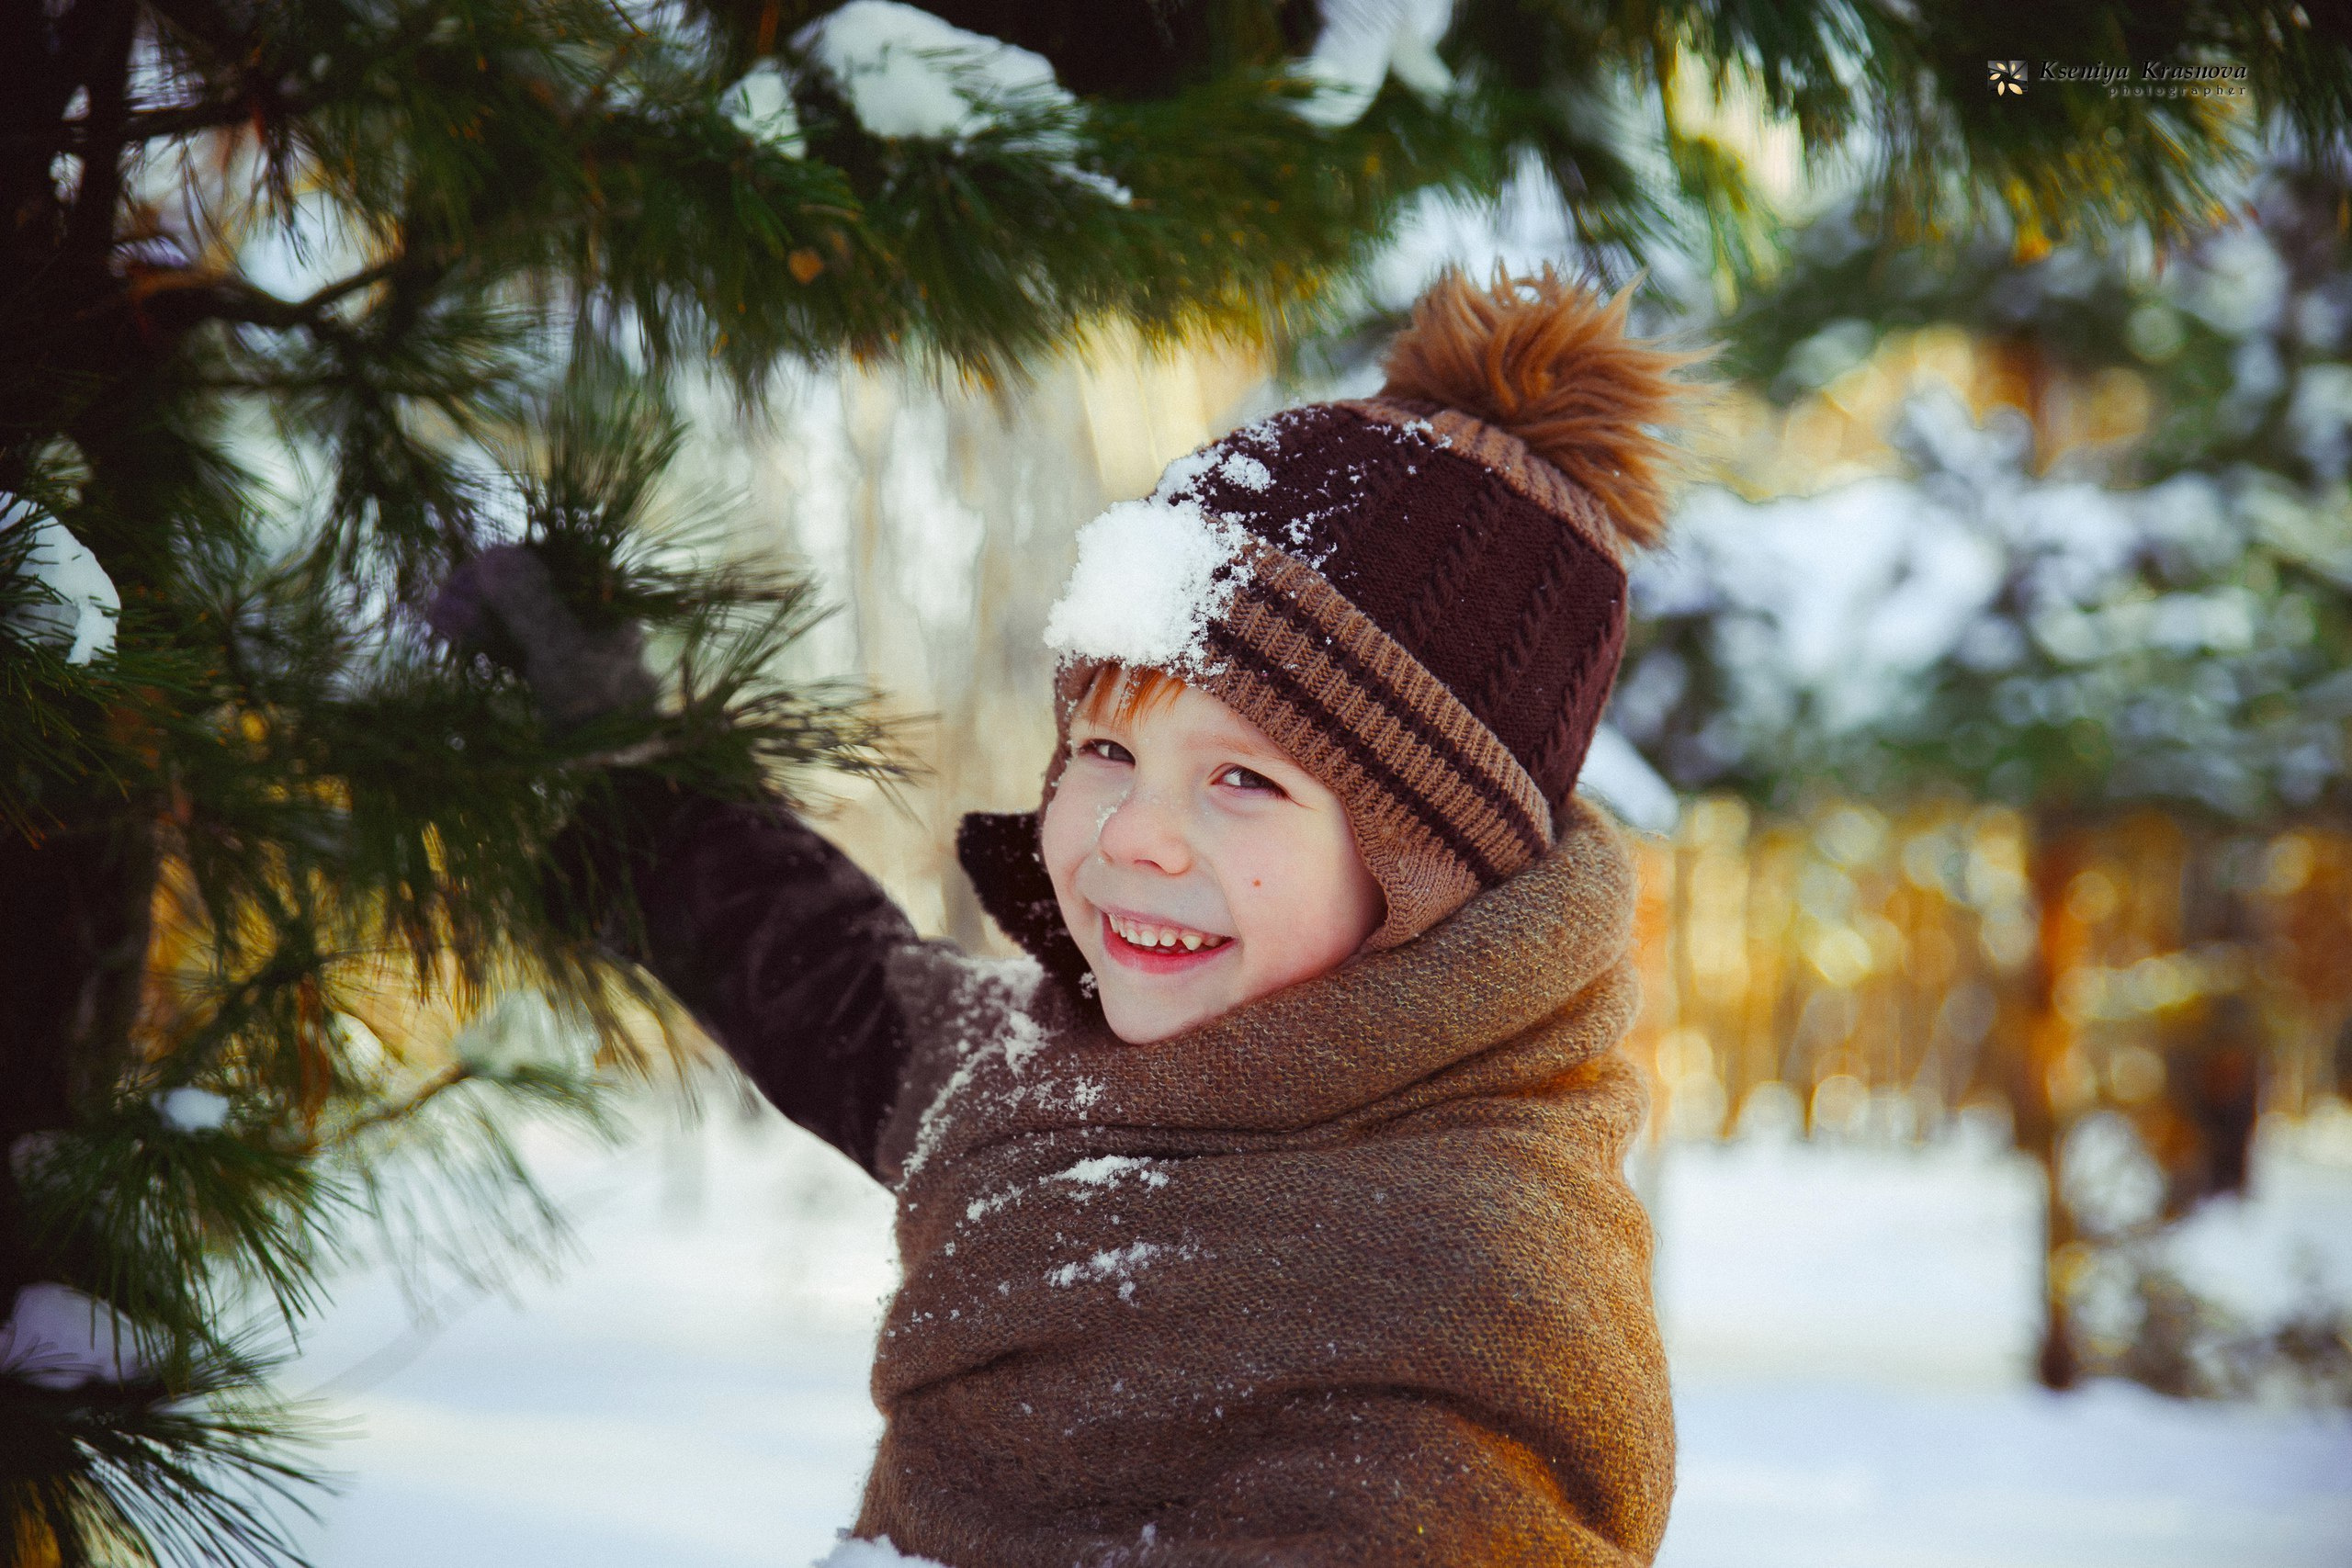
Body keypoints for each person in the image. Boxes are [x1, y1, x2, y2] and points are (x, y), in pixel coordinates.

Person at [431, 266, 1702, 1567]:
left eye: (1245, 780)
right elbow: (839, 988)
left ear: (1429, 870)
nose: (1134, 833)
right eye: (1105, 751)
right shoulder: (1059, 1073)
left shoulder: (1468, 1286)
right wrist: (626, 766)